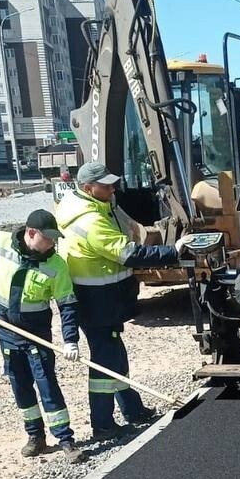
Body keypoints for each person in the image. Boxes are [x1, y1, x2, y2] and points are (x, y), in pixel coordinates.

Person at [56, 161, 192, 440]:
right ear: (87, 188)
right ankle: (103, 425)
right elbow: (127, 253)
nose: (112, 188)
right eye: (105, 185)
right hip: (96, 301)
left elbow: (129, 231)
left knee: (115, 356)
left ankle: (133, 410)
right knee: (105, 362)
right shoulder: (90, 221)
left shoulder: (99, 205)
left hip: (105, 298)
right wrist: (173, 252)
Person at [0, 209, 85, 462]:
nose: (53, 243)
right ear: (31, 233)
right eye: (48, 238)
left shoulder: (55, 265)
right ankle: (35, 437)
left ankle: (66, 439)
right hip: (6, 331)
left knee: (47, 385)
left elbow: (67, 304)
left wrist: (70, 339)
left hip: (36, 334)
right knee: (21, 387)